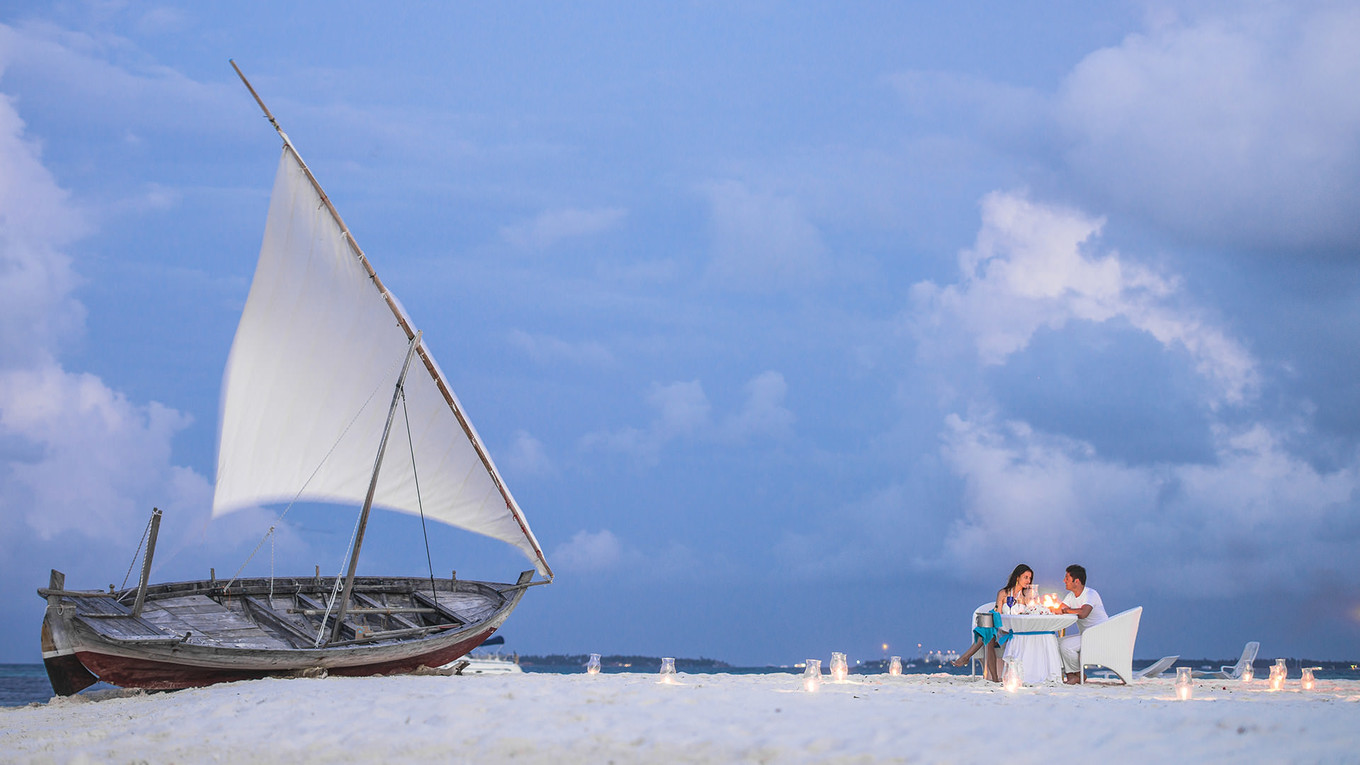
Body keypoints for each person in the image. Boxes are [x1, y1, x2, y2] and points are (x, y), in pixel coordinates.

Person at [952, 564, 1034, 681]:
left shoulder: (1027, 596)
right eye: (1026, 577)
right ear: (1017, 577)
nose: (1028, 581)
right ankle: (994, 677)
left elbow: (1029, 613)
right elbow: (997, 615)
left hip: (1017, 630)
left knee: (988, 634)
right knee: (990, 634)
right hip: (1001, 627)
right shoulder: (1003, 593)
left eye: (1030, 578)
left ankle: (966, 658)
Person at [1057, 563, 1108, 684]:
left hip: (1099, 635)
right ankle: (1071, 676)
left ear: (1077, 581)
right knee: (1056, 642)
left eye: (1067, 578)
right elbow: (1059, 609)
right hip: (1086, 635)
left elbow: (1084, 613)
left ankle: (1078, 674)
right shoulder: (1070, 596)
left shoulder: (1090, 594)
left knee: (1066, 646)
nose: (1064, 581)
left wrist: (1066, 610)